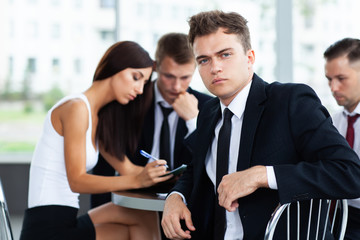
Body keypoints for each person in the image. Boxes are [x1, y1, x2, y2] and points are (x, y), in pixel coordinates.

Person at [161, 10, 360, 240]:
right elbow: (196, 170)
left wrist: (261, 176)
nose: (214, 67)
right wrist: (175, 197)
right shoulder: (208, 112)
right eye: (204, 60)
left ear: (250, 58)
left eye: (225, 55)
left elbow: (350, 174)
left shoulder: (290, 101)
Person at [20, 41, 174, 240]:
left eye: (144, 83)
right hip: (45, 228)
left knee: (143, 216)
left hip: (66, 220)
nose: (140, 89)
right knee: (135, 225)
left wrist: (170, 176)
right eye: (136, 78)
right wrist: (137, 179)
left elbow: (128, 170)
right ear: (115, 65)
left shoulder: (99, 118)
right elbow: (77, 181)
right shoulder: (76, 108)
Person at [91, 33, 212, 208]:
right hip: (133, 201)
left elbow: (213, 162)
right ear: (155, 67)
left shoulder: (207, 106)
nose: (176, 86)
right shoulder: (129, 98)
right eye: (169, 76)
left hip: (186, 207)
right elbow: (105, 161)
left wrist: (193, 120)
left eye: (185, 77)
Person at [324, 38, 360, 240]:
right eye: (329, 79)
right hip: (337, 215)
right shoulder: (332, 122)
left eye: (341, 78)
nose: (333, 87)